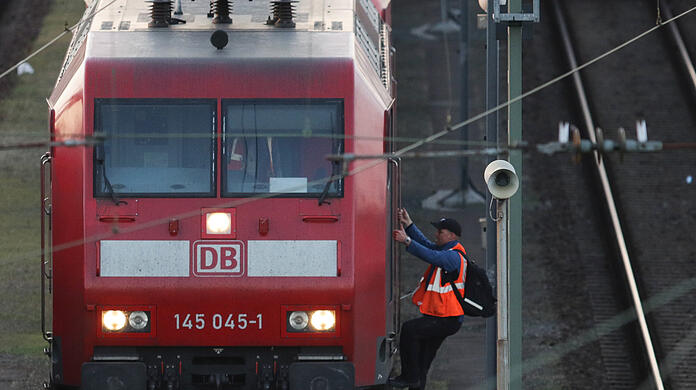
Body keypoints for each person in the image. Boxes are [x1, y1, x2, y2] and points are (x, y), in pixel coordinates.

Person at [388, 208, 467, 389]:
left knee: (409, 330)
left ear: (452, 236)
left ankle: (409, 377)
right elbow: (426, 245)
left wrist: (406, 241)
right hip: (443, 316)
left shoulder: (453, 256)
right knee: (423, 360)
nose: (436, 234)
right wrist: (409, 225)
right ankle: (416, 382)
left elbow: (430, 254)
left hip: (446, 318)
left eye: (440, 231)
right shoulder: (446, 249)